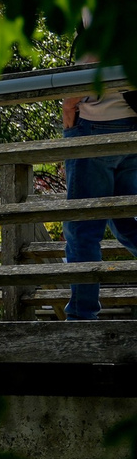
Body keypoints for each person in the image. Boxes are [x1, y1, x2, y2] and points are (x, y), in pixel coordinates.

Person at [62, 73, 137, 322]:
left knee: (82, 228)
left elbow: (95, 64)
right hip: (132, 125)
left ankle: (81, 319)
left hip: (96, 124)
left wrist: (68, 109)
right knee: (126, 224)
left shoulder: (97, 31)